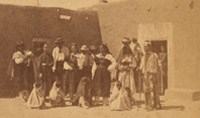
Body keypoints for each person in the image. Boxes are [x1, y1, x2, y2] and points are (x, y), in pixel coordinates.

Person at [140, 41, 161, 111]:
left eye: (146, 46)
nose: (145, 48)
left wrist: (154, 73)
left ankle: (154, 105)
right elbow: (142, 66)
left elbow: (158, 65)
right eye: (144, 47)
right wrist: (141, 71)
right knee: (146, 90)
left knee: (152, 90)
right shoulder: (143, 56)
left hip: (152, 75)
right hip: (146, 76)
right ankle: (147, 104)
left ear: (149, 47)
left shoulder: (154, 55)